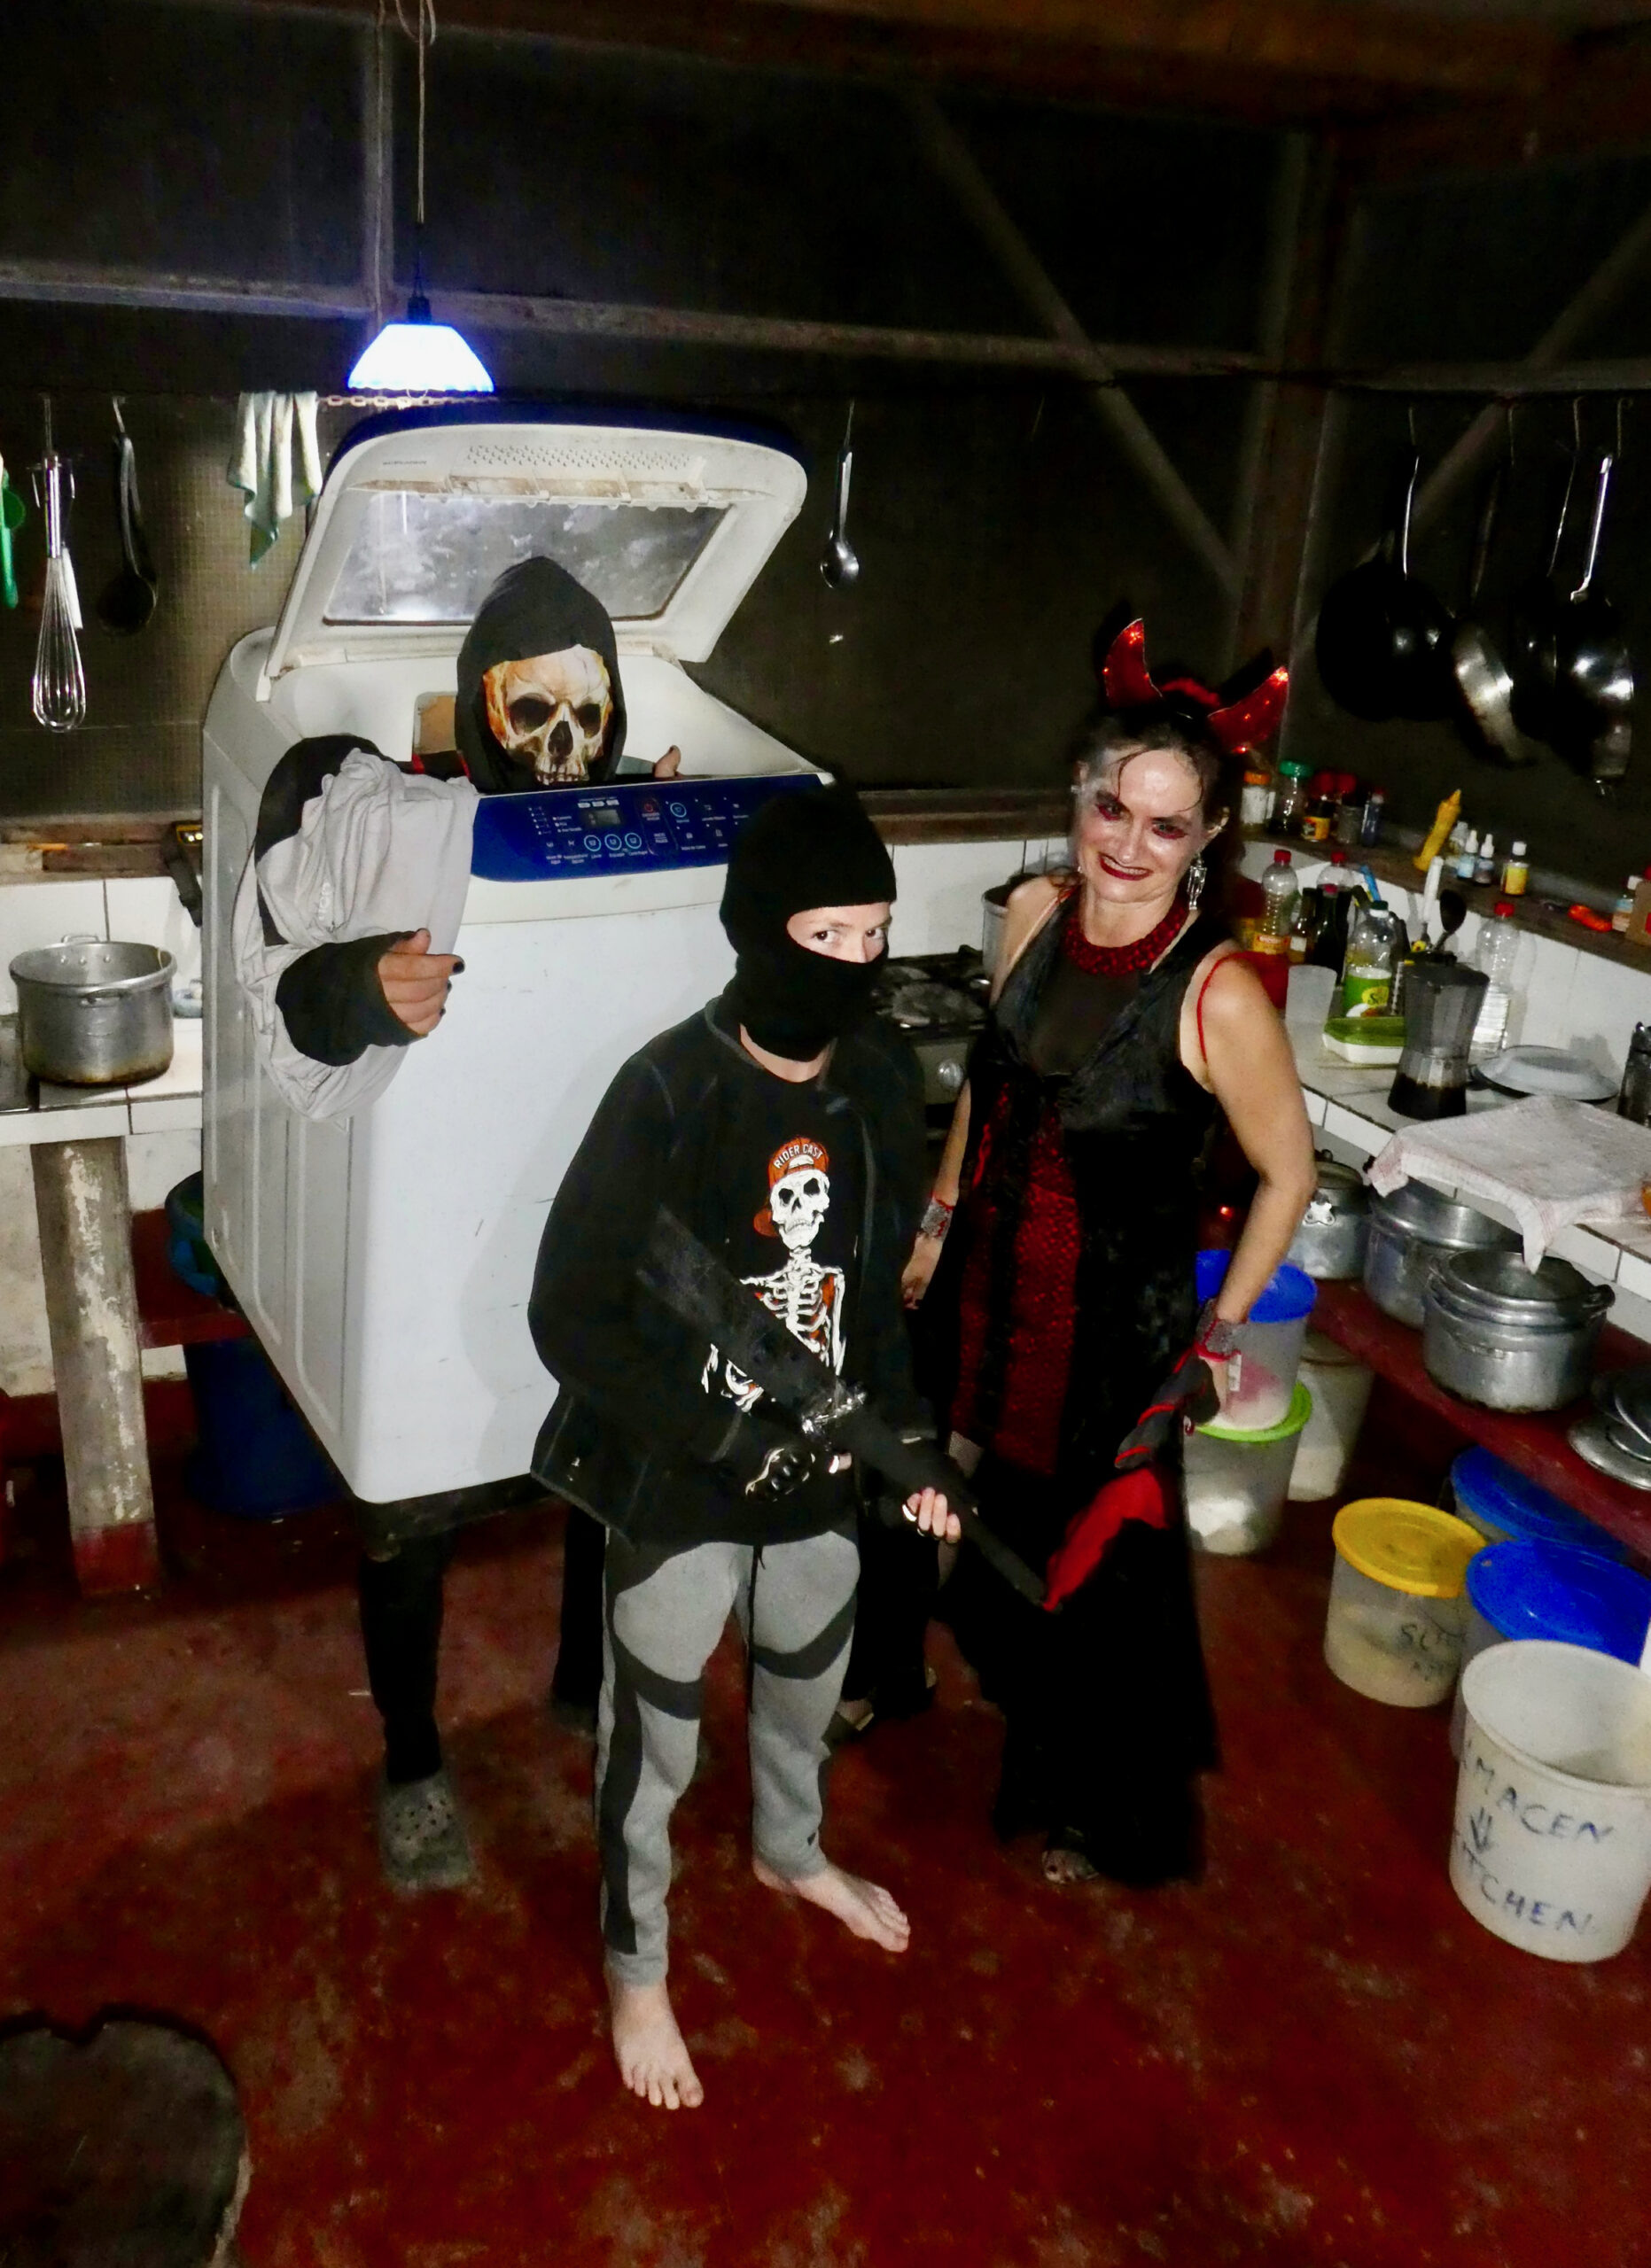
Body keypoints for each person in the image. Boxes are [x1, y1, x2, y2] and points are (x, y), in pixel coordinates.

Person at [235, 556, 681, 1893]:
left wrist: (663, 849)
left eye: (587, 715)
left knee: (598, 1462)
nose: (563, 751)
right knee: (413, 1508)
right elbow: (282, 987)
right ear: (481, 712)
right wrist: (361, 988)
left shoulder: (632, 819)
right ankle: (415, 1760)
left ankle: (583, 1684)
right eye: (531, 713)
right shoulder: (404, 839)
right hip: (436, 1230)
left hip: (588, 1216)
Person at [529, 785, 959, 2111]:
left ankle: (791, 1848)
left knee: (804, 1681)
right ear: (758, 932)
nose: (855, 965)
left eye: (875, 935)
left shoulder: (879, 1079)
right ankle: (636, 1964)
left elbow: (875, 1295)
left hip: (821, 1472)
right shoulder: (666, 1090)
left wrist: (913, 1446)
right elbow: (569, 1314)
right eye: (826, 936)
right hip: (679, 1474)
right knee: (652, 1738)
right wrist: (716, 1435)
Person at [903, 622, 1313, 1891]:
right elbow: (989, 1089)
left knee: (1099, 1565)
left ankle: (1095, 1801)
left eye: (1167, 826)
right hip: (990, 1282)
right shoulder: (1034, 913)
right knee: (955, 1504)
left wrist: (1217, 1334)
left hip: (1112, 1328)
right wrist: (935, 1221)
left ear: (1208, 836)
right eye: (1111, 809)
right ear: (1079, 796)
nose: (1129, 847)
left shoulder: (1217, 992)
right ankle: (948, 1681)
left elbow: (1290, 1174)